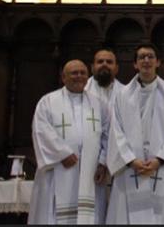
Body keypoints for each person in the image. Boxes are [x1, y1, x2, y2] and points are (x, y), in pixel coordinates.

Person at [106, 44, 164, 224]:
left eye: (150, 57)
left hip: (161, 168)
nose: (146, 61)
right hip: (130, 168)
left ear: (158, 62)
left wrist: (160, 159)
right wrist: (130, 160)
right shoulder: (121, 95)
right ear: (135, 64)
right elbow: (115, 131)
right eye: (141, 57)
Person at [29, 60, 109, 225]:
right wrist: (62, 154)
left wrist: (102, 162)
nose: (79, 76)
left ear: (88, 77)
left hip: (90, 172)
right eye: (74, 73)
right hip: (58, 168)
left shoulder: (99, 104)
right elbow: (41, 130)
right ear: (63, 77)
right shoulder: (48, 102)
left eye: (83, 73)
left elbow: (108, 135)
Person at [85, 48, 121, 223]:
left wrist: (106, 160)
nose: (104, 65)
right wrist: (99, 161)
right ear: (92, 67)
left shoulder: (127, 94)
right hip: (88, 163)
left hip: (117, 163)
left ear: (117, 68)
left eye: (109, 62)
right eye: (100, 62)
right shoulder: (80, 93)